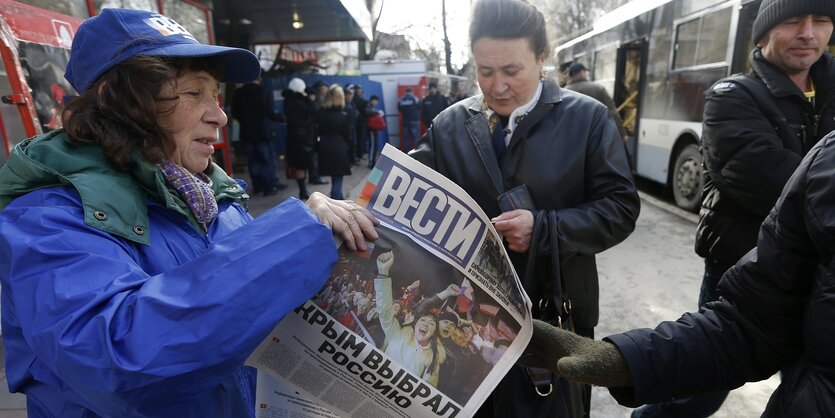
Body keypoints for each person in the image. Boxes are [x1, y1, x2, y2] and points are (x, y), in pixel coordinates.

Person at [0, 9, 379, 417]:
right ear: (119, 102)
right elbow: (120, 363)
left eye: (215, 95)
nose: (219, 115)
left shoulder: (211, 197)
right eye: (194, 94)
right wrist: (293, 238)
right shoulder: (45, 218)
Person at [409, 0, 640, 416]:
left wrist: (547, 228)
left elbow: (621, 208)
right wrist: (335, 206)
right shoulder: (449, 125)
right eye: (485, 71)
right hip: (466, 320)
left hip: (556, 315)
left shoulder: (587, 119)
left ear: (541, 58)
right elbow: (402, 190)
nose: (497, 87)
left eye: (511, 71)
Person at [521, 126, 835, 417]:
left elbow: (618, 206)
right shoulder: (827, 161)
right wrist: (623, 361)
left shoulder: (588, 116)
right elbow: (751, 326)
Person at [633, 2, 835, 416]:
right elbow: (768, 179)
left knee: (811, 388)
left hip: (821, 279)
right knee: (702, 387)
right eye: (793, 22)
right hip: (743, 267)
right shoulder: (732, 96)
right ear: (762, 36)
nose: (808, 34)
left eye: (821, 21)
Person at [374, 252, 446, 387]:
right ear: (415, 324)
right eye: (423, 320)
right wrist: (383, 272)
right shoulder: (397, 335)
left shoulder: (432, 359)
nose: (426, 324)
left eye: (431, 324)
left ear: (434, 332)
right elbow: (384, 311)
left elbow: (428, 390)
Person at [231, 70, 286, 196]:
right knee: (265, 161)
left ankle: (257, 186)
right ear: (259, 79)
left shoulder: (238, 93)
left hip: (246, 133)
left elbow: (235, 113)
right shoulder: (264, 92)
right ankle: (268, 187)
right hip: (262, 133)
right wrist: (281, 119)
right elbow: (270, 112)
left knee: (252, 161)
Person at [563, 62, 627, 141]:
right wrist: (621, 132)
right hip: (594, 136)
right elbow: (612, 112)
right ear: (582, 73)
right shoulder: (598, 88)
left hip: (570, 136)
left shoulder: (564, 92)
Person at [315, 84, 353, 199]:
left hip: (324, 146)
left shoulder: (320, 113)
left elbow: (315, 131)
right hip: (339, 147)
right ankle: (337, 203)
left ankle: (339, 199)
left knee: (333, 176)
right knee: (337, 178)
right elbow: (348, 135)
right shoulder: (343, 115)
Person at [283, 78, 318, 199]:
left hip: (292, 137)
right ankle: (303, 190)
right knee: (302, 165)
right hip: (302, 138)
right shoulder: (301, 102)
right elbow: (313, 110)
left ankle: (302, 189)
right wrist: (306, 97)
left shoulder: (288, 101)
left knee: (298, 165)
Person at [308, 80, 329, 186]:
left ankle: (315, 175)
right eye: (323, 89)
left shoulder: (319, 100)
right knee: (314, 156)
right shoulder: (316, 101)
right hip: (314, 133)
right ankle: (315, 176)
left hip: (315, 132)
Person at [397, 87, 421, 151]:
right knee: (416, 138)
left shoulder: (401, 99)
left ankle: (406, 154)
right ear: (412, 91)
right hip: (414, 121)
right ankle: (416, 153)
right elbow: (419, 106)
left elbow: (399, 108)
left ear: (406, 92)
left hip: (405, 121)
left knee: (406, 139)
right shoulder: (415, 98)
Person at [352, 84, 369, 161]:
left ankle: (359, 154)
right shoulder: (360, 100)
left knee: (359, 139)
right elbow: (366, 110)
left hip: (357, 122)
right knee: (360, 139)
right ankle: (360, 154)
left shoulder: (353, 100)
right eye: (358, 90)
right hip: (360, 122)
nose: (360, 92)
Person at [366, 94, 384, 168]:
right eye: (376, 101)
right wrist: (376, 112)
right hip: (371, 129)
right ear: (373, 100)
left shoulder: (371, 106)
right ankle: (371, 162)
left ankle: (373, 161)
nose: (376, 103)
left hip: (374, 129)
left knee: (374, 145)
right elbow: (367, 112)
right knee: (373, 146)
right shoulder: (368, 106)